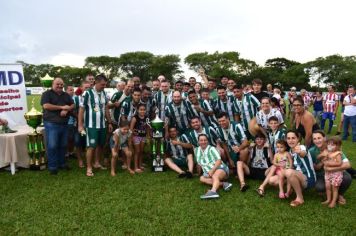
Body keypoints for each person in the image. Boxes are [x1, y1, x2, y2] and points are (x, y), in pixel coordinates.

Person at [78, 74, 113, 177]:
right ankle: (89, 168)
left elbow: (106, 108)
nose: (104, 86)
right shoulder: (87, 93)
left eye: (105, 84)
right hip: (91, 125)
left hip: (102, 125)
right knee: (91, 146)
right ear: (96, 83)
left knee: (100, 145)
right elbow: (81, 109)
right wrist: (80, 125)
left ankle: (97, 163)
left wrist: (109, 122)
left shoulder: (104, 93)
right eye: (102, 84)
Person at [41, 77, 74, 175]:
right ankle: (53, 166)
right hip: (51, 123)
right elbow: (46, 106)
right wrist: (62, 107)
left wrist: (67, 109)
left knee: (63, 145)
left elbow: (73, 105)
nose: (60, 86)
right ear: (53, 84)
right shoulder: (47, 94)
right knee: (53, 145)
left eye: (61, 84)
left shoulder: (66, 95)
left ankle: (62, 163)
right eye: (57, 84)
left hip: (64, 123)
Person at [310, 130, 352, 205]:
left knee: (347, 177)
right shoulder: (312, 151)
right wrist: (322, 162)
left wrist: (331, 169)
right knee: (320, 187)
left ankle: (339, 195)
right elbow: (314, 168)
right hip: (321, 175)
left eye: (319, 138)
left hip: (336, 173)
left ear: (324, 138)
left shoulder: (333, 147)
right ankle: (329, 195)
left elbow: (348, 165)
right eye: (314, 139)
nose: (317, 141)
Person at [284, 130, 316, 207]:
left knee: (289, 172)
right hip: (299, 176)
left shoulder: (301, 147)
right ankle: (289, 191)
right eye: (288, 138)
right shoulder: (290, 151)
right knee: (275, 179)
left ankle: (300, 198)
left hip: (309, 178)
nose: (291, 140)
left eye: (293, 138)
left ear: (298, 139)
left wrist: (299, 152)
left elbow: (303, 153)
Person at [195, 134, 232, 199]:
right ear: (198, 142)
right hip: (208, 172)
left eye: (205, 140)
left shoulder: (212, 148)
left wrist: (212, 171)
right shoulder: (196, 150)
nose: (203, 142)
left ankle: (213, 192)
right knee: (201, 178)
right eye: (201, 140)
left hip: (219, 168)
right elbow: (200, 163)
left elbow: (219, 161)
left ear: (207, 141)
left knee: (215, 176)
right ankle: (224, 184)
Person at [318, 136, 343, 208]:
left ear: (338, 146)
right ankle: (328, 199)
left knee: (334, 188)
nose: (330, 146)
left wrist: (329, 163)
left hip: (336, 174)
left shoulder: (338, 154)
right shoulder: (328, 152)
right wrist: (324, 159)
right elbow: (323, 160)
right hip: (328, 173)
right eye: (329, 144)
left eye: (333, 145)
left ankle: (333, 202)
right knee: (328, 187)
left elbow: (339, 163)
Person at [73, 80, 91, 168]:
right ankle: (80, 160)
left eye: (89, 87)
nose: (87, 89)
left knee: (87, 142)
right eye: (85, 88)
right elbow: (73, 110)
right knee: (78, 142)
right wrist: (80, 119)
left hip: (90, 125)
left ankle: (88, 160)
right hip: (79, 125)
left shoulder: (92, 97)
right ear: (81, 88)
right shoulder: (76, 98)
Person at [130, 104, 149, 173]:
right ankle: (135, 167)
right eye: (141, 110)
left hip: (143, 136)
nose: (142, 111)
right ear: (137, 110)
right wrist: (131, 138)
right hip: (136, 137)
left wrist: (148, 136)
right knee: (137, 151)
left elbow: (147, 127)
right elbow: (131, 129)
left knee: (141, 151)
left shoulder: (146, 118)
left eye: (144, 110)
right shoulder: (135, 118)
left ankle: (140, 165)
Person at [65, 85, 75, 159]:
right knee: (68, 138)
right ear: (66, 91)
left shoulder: (75, 98)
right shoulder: (64, 99)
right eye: (70, 90)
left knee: (72, 138)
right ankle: (67, 153)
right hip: (68, 122)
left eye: (73, 90)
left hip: (74, 122)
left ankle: (71, 152)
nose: (72, 91)